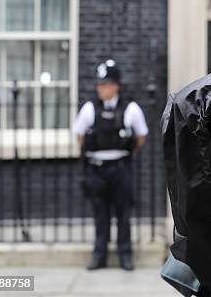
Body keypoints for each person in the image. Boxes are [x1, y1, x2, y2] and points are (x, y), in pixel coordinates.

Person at [73, 59, 148, 271]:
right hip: (97, 169)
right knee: (100, 214)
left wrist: (125, 153)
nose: (101, 88)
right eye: (99, 84)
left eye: (105, 84)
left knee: (123, 214)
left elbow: (141, 136)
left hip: (120, 168)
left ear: (116, 85)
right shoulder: (90, 108)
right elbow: (79, 134)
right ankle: (99, 255)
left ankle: (125, 255)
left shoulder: (130, 108)